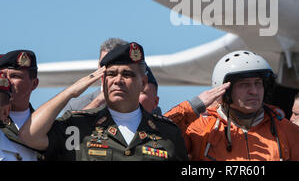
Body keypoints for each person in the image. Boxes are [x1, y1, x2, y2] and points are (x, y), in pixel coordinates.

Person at [18, 42, 188, 161]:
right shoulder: (78, 127)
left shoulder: (167, 133)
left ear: (142, 83)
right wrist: (71, 91)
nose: (118, 80)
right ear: (103, 81)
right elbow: (29, 135)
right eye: (112, 74)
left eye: (127, 75)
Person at [165, 50, 299, 161]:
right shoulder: (200, 129)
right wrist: (194, 106)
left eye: (258, 84)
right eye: (244, 85)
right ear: (224, 90)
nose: (254, 91)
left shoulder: (288, 131)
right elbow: (158, 133)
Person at [61, 38, 128, 113]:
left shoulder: (141, 101)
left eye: (115, 63)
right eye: (104, 64)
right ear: (98, 67)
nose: (109, 69)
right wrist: (97, 102)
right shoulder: (75, 106)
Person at [0, 50, 39, 160]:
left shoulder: (47, 126)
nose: (6, 82)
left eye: (15, 76)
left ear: (34, 84)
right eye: (2, 76)